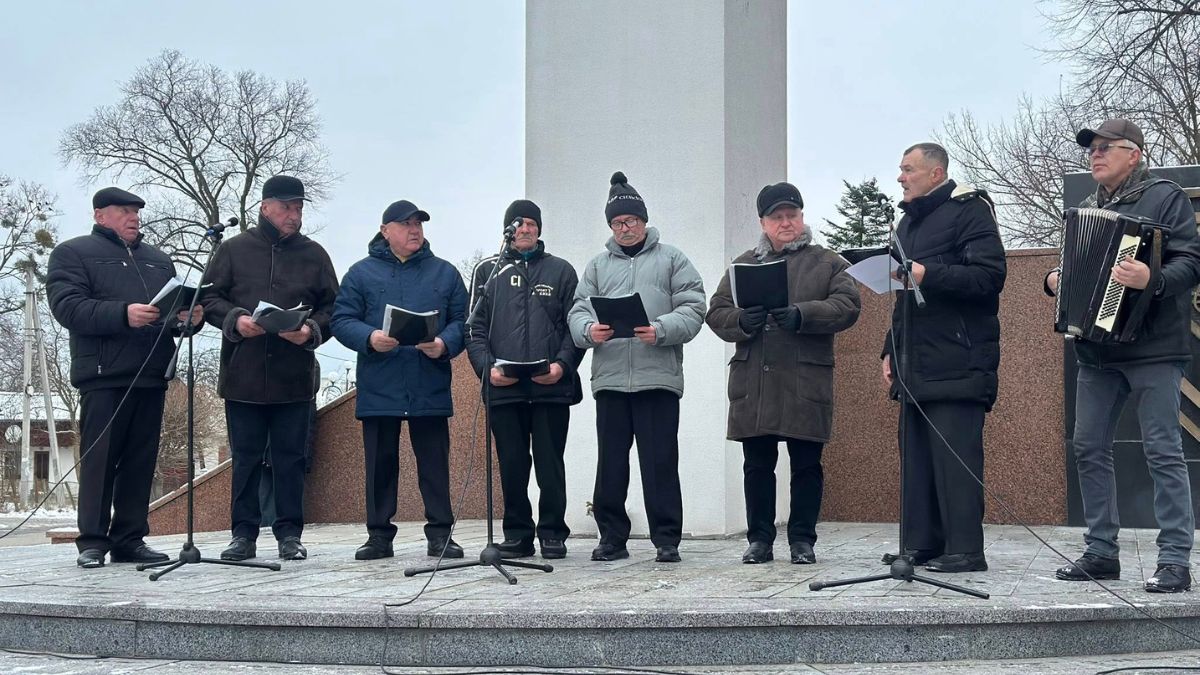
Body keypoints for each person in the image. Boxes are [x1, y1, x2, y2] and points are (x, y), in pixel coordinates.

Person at [1045, 119, 1200, 593]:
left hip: (1153, 347)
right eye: (1091, 149)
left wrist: (1152, 279)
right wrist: (1054, 280)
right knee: (1088, 446)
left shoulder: (1165, 197)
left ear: (1134, 154)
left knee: (1162, 450)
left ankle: (1174, 559)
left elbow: (1191, 261)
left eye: (1105, 147)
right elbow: (1073, 264)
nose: (1095, 154)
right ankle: (1101, 552)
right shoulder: (1087, 209)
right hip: (1097, 349)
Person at [46, 187, 204, 568]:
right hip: (104, 376)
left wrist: (188, 320)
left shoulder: (158, 261)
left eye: (135, 212)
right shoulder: (72, 253)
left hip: (151, 374)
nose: (133, 218)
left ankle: (130, 538)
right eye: (124, 211)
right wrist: (123, 314)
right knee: (101, 461)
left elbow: (170, 314)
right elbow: (68, 307)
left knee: (140, 462)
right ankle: (92, 542)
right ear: (100, 215)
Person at [705, 182, 860, 565]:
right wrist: (742, 319)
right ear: (763, 222)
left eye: (792, 214)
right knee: (757, 466)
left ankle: (802, 540)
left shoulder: (828, 262)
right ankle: (759, 540)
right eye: (777, 217)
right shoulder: (742, 265)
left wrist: (804, 314)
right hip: (754, 382)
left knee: (806, 465)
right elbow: (716, 312)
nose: (786, 222)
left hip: (804, 381)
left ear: (802, 217)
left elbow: (848, 305)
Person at [567, 171, 706, 563]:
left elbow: (695, 306)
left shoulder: (672, 259)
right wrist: (589, 330)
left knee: (660, 461)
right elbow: (577, 311)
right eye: (617, 223)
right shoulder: (597, 266)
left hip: (657, 378)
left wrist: (661, 329)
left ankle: (667, 539)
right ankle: (612, 538)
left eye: (630, 220)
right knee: (611, 464)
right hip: (611, 379)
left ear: (644, 220)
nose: (624, 228)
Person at [881, 143, 1006, 573]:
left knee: (955, 462)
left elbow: (989, 277)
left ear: (936, 174)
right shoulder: (907, 223)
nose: (900, 177)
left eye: (908, 169)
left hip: (958, 359)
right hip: (915, 362)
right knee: (916, 460)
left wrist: (927, 273)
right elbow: (904, 297)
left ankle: (966, 550)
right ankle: (921, 545)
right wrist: (890, 348)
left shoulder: (970, 211)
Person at [202, 175, 338, 562]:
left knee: (290, 460)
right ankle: (242, 535)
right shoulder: (233, 249)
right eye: (286, 207)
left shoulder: (314, 255)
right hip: (243, 375)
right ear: (265, 207)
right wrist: (235, 319)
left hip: (294, 377)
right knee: (245, 459)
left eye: (299, 208)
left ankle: (290, 534)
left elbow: (334, 307)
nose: (294, 215)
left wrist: (311, 330)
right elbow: (208, 298)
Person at [331, 199, 468, 561]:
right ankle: (379, 536)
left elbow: (463, 321)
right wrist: (369, 337)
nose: (414, 230)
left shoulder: (445, 273)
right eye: (406, 224)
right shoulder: (361, 273)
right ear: (385, 230)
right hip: (381, 383)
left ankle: (441, 535)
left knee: (434, 464)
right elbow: (341, 319)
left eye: (418, 224)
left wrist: (444, 344)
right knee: (380, 464)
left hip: (428, 381)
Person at [466, 199, 583, 559]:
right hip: (505, 389)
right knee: (512, 465)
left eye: (532, 223)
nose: (526, 229)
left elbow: (575, 327)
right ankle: (517, 535)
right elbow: (473, 328)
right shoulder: (488, 271)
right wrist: (487, 369)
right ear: (508, 230)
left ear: (539, 229)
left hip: (550, 387)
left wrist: (562, 366)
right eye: (519, 223)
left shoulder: (562, 271)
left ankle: (552, 533)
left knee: (550, 465)